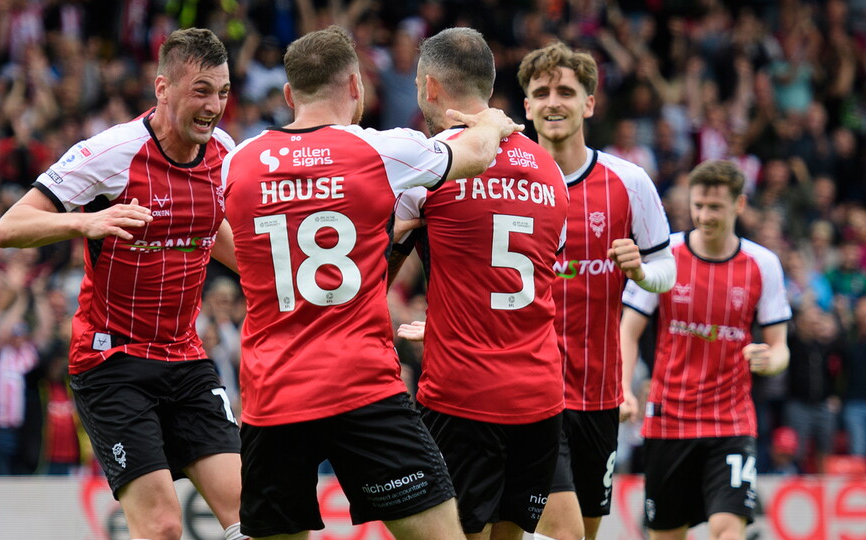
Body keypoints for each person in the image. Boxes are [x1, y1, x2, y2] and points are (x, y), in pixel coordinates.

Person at [220, 25, 523, 540]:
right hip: (360, 387)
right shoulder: (383, 150)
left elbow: (221, 238)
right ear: (357, 87)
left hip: (273, 394)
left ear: (290, 95)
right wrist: (493, 119)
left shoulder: (237, 163)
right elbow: (475, 154)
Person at [0, 28, 245, 540]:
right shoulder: (112, 152)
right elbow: (9, 228)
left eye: (222, 91)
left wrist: (269, 276)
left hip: (186, 359)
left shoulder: (222, 149)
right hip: (113, 363)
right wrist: (83, 222)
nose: (214, 105)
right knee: (163, 528)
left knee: (253, 512)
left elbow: (206, 226)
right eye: (200, 90)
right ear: (162, 88)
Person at [389, 28, 568, 540]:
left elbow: (378, 273)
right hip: (538, 395)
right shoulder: (549, 171)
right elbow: (534, 277)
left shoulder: (430, 164)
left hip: (463, 395)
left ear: (430, 86)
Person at [517, 42, 676, 540]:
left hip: (599, 396)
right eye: (540, 92)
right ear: (526, 106)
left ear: (589, 102)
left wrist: (643, 274)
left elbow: (666, 267)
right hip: (527, 393)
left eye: (566, 91)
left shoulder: (628, 182)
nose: (552, 101)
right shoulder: (506, 180)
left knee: (582, 534)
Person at [620, 159, 791, 540]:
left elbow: (781, 348)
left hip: (731, 421)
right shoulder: (666, 256)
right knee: (667, 534)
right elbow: (628, 330)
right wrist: (624, 389)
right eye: (698, 205)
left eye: (715, 206)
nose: (704, 214)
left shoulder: (763, 264)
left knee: (727, 530)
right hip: (668, 419)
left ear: (739, 206)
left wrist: (769, 360)